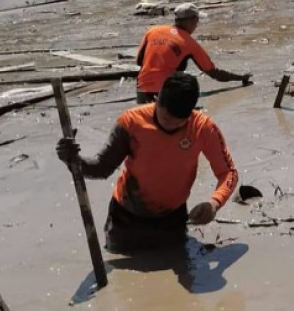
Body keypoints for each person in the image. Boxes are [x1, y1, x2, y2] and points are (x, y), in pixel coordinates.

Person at [56, 73, 239, 253]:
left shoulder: (203, 128)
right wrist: (73, 160)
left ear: (191, 112)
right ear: (157, 99)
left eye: (179, 123)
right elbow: (101, 168)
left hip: (172, 221)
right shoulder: (131, 122)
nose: (170, 126)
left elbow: (229, 172)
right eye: (166, 118)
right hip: (126, 221)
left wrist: (214, 204)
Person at [135, 3, 249, 104]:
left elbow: (139, 61)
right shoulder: (189, 43)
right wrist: (240, 78)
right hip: (167, 93)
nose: (196, 25)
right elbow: (213, 73)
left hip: (142, 91)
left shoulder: (152, 31)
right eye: (196, 21)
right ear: (190, 21)